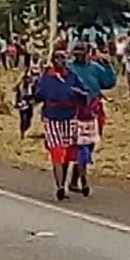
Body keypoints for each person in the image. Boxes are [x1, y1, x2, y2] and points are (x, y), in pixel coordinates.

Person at [34, 50, 88, 200]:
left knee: (69, 154)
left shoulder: (71, 76)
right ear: (52, 60)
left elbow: (84, 94)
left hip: (69, 117)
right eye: (57, 58)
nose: (60, 60)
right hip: (52, 118)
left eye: (62, 57)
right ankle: (59, 187)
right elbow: (38, 96)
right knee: (56, 152)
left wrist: (78, 94)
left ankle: (65, 183)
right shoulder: (46, 78)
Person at [67, 42, 116, 195]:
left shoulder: (95, 68)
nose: (79, 54)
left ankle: (77, 176)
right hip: (73, 111)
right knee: (77, 145)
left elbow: (109, 82)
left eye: (82, 50)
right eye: (77, 50)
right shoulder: (69, 67)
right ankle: (80, 179)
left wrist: (107, 64)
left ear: (88, 52)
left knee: (90, 144)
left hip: (93, 111)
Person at [14, 72, 36, 139]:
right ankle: (22, 132)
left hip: (29, 104)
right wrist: (17, 103)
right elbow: (17, 95)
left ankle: (25, 128)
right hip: (22, 104)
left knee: (29, 118)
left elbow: (34, 94)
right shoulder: (20, 87)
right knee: (23, 119)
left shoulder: (31, 86)